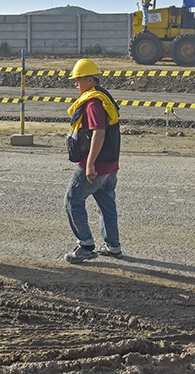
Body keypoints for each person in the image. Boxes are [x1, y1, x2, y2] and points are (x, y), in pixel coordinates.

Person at [63, 59, 122, 264]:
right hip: (110, 164)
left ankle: (86, 245)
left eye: (78, 80)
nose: (76, 84)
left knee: (72, 200)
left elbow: (99, 133)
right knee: (106, 203)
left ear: (90, 80)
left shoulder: (94, 103)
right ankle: (113, 246)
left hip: (96, 164)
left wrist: (89, 164)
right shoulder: (105, 97)